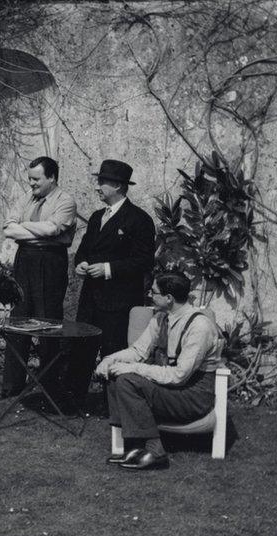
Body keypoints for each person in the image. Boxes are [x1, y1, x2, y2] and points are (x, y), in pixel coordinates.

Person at [95, 272, 225, 471]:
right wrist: (110, 360)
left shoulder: (200, 326)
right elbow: (138, 351)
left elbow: (179, 376)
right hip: (171, 389)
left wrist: (133, 368)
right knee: (115, 375)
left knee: (129, 380)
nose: (149, 295)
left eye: (154, 292)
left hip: (193, 396)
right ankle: (134, 446)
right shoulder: (160, 319)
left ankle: (155, 452)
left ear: (169, 298)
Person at [66, 159, 155, 409]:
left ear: (117, 185)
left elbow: (143, 261)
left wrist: (107, 269)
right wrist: (81, 265)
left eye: (102, 182)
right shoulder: (96, 218)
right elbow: (83, 251)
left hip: (120, 301)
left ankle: (115, 407)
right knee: (81, 349)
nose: (97, 187)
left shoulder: (139, 220)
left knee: (113, 351)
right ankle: (73, 402)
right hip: (90, 297)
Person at [0, 156, 77, 400]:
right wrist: (36, 231)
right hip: (25, 261)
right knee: (18, 320)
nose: (31, 184)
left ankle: (49, 388)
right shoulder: (27, 198)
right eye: (30, 178)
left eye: (36, 179)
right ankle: (12, 385)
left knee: (48, 323)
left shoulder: (66, 201)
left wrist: (24, 228)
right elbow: (7, 229)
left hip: (51, 262)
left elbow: (53, 230)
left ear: (52, 177)